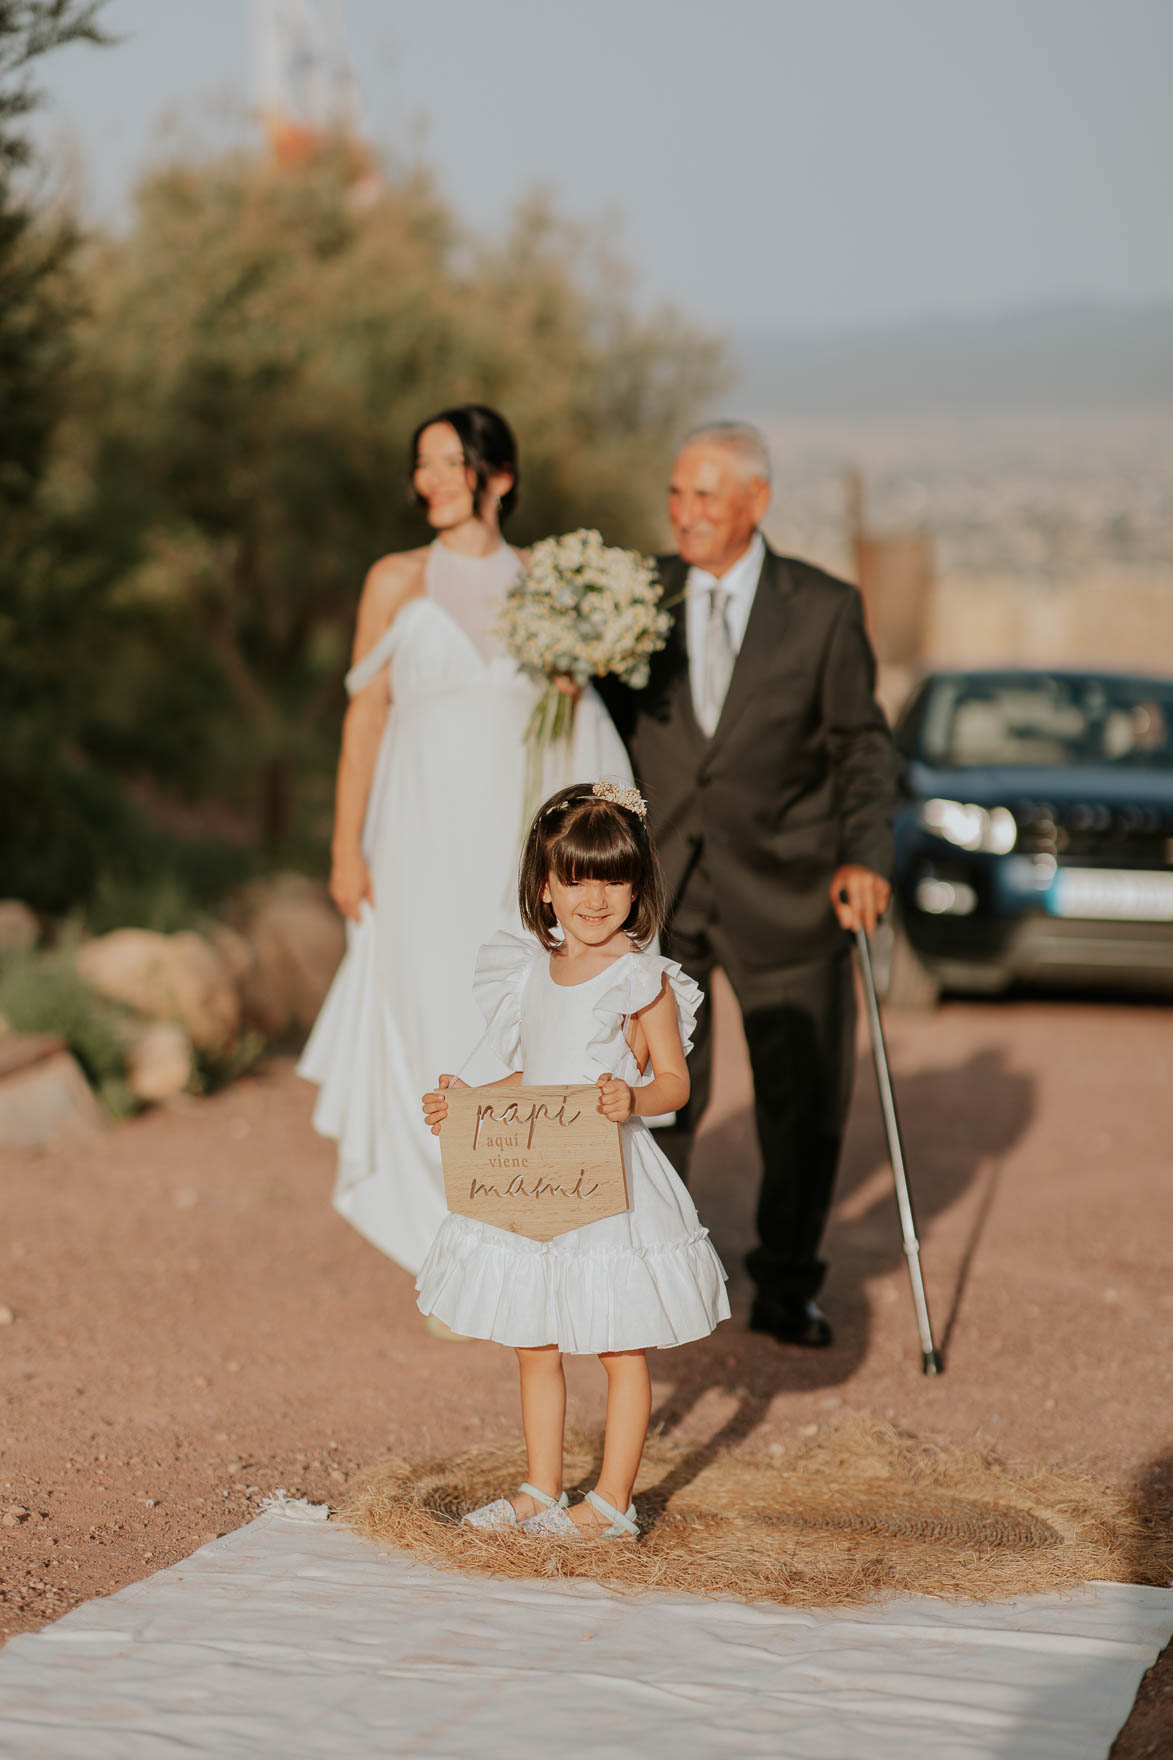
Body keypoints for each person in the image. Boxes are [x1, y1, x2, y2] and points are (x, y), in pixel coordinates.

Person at [299, 407, 632, 1289]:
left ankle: (518, 1237)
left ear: (500, 476)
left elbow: (578, 737)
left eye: (449, 462)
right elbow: (364, 718)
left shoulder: (549, 588)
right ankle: (440, 1248)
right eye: (422, 465)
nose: (430, 480)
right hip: (414, 844)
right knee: (428, 1016)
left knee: (519, 1025)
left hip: (517, 851)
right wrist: (345, 846)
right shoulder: (394, 580)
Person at [601, 422, 899, 1349]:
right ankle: (658, 1278)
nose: (684, 514)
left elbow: (860, 748)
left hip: (791, 889)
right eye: (675, 495)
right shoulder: (630, 599)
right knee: (662, 1093)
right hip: (666, 890)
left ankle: (785, 1285)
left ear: (755, 503)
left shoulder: (820, 607)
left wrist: (864, 857)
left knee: (800, 1102)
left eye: (705, 496)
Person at [416, 781, 730, 1538]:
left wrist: (634, 1097)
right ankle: (540, 1486)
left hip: (610, 1184)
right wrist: (470, 1100)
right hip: (543, 1175)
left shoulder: (638, 980)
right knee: (536, 1340)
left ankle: (613, 1503)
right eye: (576, 878)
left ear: (638, 886)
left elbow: (674, 1082)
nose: (595, 898)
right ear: (544, 887)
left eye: (613, 878)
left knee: (617, 1346)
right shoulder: (533, 972)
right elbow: (539, 1077)